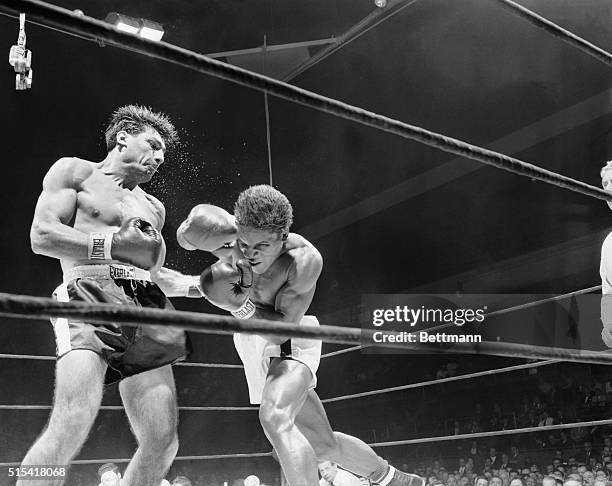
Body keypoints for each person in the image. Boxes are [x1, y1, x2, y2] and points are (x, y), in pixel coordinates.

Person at [177, 185, 424, 486]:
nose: (250, 253)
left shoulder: (302, 261)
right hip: (250, 341)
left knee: (275, 417)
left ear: (281, 237)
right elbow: (184, 239)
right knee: (324, 444)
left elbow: (282, 333)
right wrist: (196, 234)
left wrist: (239, 306)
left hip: (288, 336)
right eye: (244, 243)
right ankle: (396, 480)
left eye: (262, 246)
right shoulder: (230, 232)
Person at [22, 105, 202, 486]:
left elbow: (151, 272)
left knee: (162, 441)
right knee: (71, 419)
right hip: (89, 291)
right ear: (123, 137)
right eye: (152, 145)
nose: (159, 158)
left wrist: (198, 284)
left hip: (145, 303)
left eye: (165, 153)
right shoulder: (75, 171)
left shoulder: (154, 207)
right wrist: (112, 245)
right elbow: (42, 235)